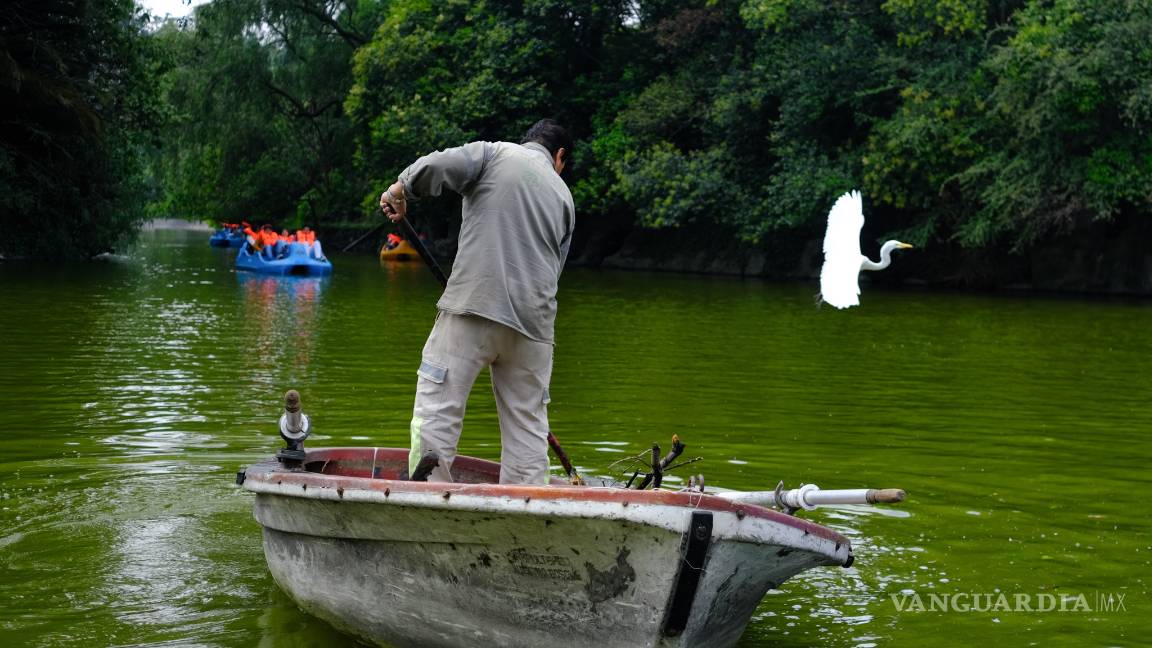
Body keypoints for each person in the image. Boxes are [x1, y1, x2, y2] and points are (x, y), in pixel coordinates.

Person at [379, 118, 574, 485]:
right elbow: (555, 271)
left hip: (474, 307)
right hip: (534, 328)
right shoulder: (565, 197)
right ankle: (527, 508)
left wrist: (400, 189)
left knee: (438, 407)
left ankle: (429, 497)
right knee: (528, 426)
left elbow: (437, 165)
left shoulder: (493, 153)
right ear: (559, 156)